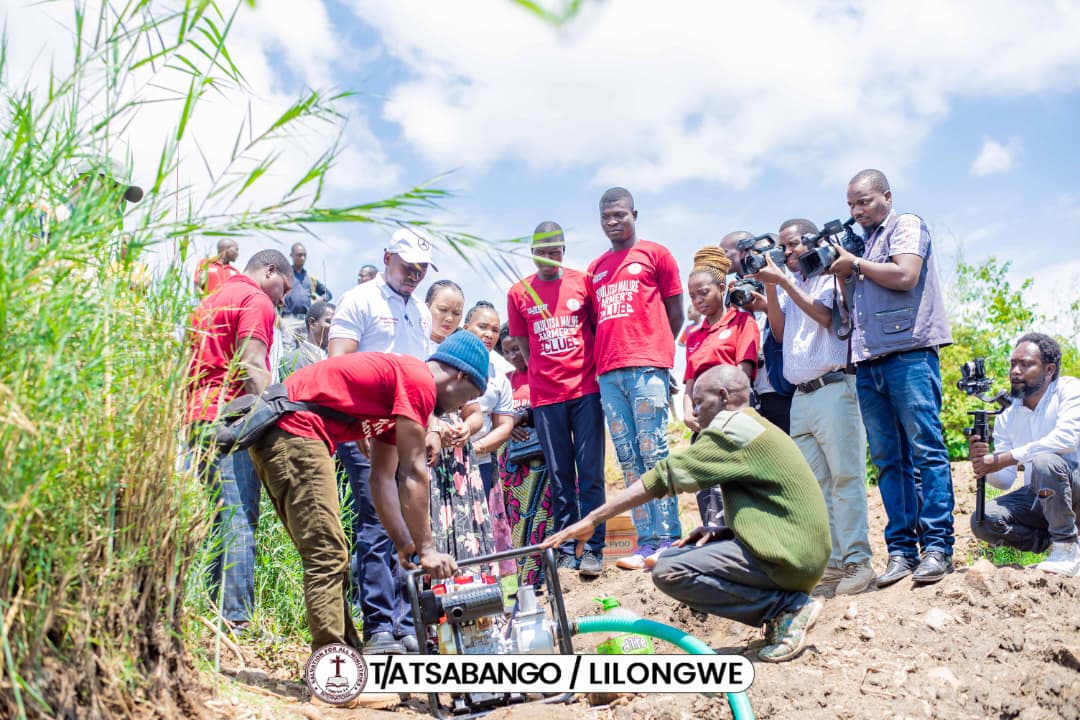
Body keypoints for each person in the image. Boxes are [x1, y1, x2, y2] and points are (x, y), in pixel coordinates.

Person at [545, 365, 829, 663]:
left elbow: (664, 476)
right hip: (797, 551)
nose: (693, 414)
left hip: (790, 557)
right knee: (683, 556)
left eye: (698, 402)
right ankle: (782, 612)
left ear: (722, 397)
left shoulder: (731, 428)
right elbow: (775, 500)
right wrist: (726, 531)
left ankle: (787, 609)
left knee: (668, 570)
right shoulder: (752, 425)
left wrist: (592, 519)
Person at [249, 331, 488, 654]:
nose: (459, 408)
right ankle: (335, 670)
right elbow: (415, 474)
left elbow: (381, 479)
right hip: (294, 429)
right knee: (327, 554)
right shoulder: (417, 380)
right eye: (467, 395)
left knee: (330, 554)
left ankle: (348, 659)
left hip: (288, 431)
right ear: (459, 375)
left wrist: (405, 543)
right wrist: (427, 550)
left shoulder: (400, 396)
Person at [826, 169, 954, 587]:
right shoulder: (859, 244)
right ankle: (902, 552)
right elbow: (852, 304)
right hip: (869, 363)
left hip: (910, 356)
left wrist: (856, 264)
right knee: (887, 462)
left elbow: (905, 275)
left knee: (926, 451)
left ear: (886, 195)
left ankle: (938, 548)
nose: (857, 210)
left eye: (864, 201)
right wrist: (845, 274)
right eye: (851, 204)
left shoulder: (906, 225)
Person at [326, 226, 435, 655]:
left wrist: (430, 427)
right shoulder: (360, 299)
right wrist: (361, 421)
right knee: (375, 523)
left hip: (407, 424)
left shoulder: (421, 312)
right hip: (365, 425)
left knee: (413, 519)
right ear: (388, 256)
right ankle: (380, 626)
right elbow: (339, 364)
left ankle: (408, 622)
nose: (414, 275)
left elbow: (421, 371)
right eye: (408, 266)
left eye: (422, 269)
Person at [752, 219, 874, 596]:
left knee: (845, 478)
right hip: (801, 396)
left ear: (811, 242)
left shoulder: (827, 276)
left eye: (793, 246)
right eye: (783, 248)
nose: (787, 253)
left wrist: (784, 283)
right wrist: (772, 287)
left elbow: (826, 318)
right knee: (816, 486)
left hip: (834, 388)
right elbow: (777, 331)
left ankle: (859, 562)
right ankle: (835, 566)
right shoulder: (792, 285)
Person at [186, 249, 294, 632]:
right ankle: (235, 618)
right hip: (230, 419)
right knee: (237, 519)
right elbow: (252, 365)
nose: (282, 299)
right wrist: (278, 415)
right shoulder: (255, 299)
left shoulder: (211, 299)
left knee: (217, 518)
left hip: (196, 418)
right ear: (270, 271)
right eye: (284, 287)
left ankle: (215, 613)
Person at [588, 188, 684, 571]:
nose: (613, 222)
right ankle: (644, 542)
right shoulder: (595, 268)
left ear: (634, 215)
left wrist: (658, 352)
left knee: (655, 451)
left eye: (619, 215)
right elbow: (597, 324)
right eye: (606, 216)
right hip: (608, 374)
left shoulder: (656, 254)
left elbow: (676, 311)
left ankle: (669, 538)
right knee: (628, 459)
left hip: (647, 366)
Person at [507, 221, 606, 577]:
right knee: (561, 477)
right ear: (532, 253)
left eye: (555, 251)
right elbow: (524, 347)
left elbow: (596, 331)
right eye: (541, 253)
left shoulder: (583, 282)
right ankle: (567, 548)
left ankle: (593, 549)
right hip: (547, 400)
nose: (549, 259)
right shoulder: (518, 293)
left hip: (586, 393)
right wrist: (544, 382)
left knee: (591, 474)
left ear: (563, 250)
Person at [969, 334, 1080, 576]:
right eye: (1013, 364)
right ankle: (1056, 546)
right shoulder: (1007, 415)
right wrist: (983, 464)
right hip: (1042, 496)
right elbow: (1006, 479)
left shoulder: (1069, 389)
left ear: (1049, 369)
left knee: (1045, 462)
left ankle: (1067, 548)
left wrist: (1006, 457)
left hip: (1075, 485)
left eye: (1026, 364)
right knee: (983, 519)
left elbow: (1066, 440)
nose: (1015, 371)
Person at [682, 246, 759, 538]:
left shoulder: (742, 322)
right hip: (703, 425)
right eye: (692, 296)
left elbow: (743, 376)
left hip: (733, 420)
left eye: (703, 292)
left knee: (738, 485)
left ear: (722, 287)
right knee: (708, 487)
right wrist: (688, 413)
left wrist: (726, 414)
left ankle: (748, 545)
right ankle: (716, 543)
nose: (698, 300)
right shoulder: (694, 335)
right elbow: (689, 382)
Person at [424, 281, 493, 563]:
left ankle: (475, 588)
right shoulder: (416, 346)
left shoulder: (465, 353)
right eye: (443, 310)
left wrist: (467, 428)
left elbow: (475, 413)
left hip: (458, 457)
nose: (449, 318)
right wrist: (434, 427)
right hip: (426, 446)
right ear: (425, 308)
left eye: (456, 312)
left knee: (466, 524)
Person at [496, 324, 554, 586]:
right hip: (514, 467)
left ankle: (545, 575)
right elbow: (495, 415)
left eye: (516, 348)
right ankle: (525, 581)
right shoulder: (505, 381)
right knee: (517, 520)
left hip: (545, 458)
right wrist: (509, 428)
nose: (513, 356)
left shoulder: (542, 373)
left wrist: (522, 418)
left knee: (544, 517)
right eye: (506, 352)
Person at [721, 230, 793, 433]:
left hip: (782, 387)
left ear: (744, 251)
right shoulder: (735, 292)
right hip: (756, 391)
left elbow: (786, 331)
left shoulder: (778, 281)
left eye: (724, 252)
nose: (721, 259)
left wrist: (765, 305)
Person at [462, 301, 516, 498]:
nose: (489, 334)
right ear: (466, 328)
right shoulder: (443, 365)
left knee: (477, 525)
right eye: (482, 327)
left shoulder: (499, 379)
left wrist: (474, 450)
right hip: (441, 460)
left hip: (481, 462)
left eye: (494, 330)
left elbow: (504, 426)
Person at [282, 242, 332, 337]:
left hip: (306, 320)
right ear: (291, 255)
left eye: (304, 255)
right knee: (289, 350)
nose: (303, 258)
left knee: (305, 350)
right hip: (289, 319)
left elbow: (328, 293)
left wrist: (320, 299)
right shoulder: (285, 276)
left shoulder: (310, 278)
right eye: (299, 255)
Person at [279, 300, 334, 377]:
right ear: (312, 323)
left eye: (337, 323)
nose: (334, 327)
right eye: (329, 322)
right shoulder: (289, 360)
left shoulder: (337, 360)